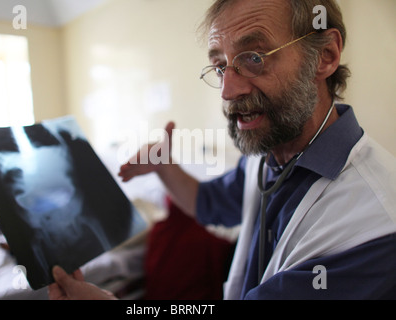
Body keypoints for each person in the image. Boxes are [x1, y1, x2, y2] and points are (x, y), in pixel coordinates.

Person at [48, 0, 396, 300]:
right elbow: (207, 203)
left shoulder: (376, 220)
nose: (227, 91)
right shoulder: (267, 160)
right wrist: (166, 168)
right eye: (220, 66)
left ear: (325, 56)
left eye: (255, 57)